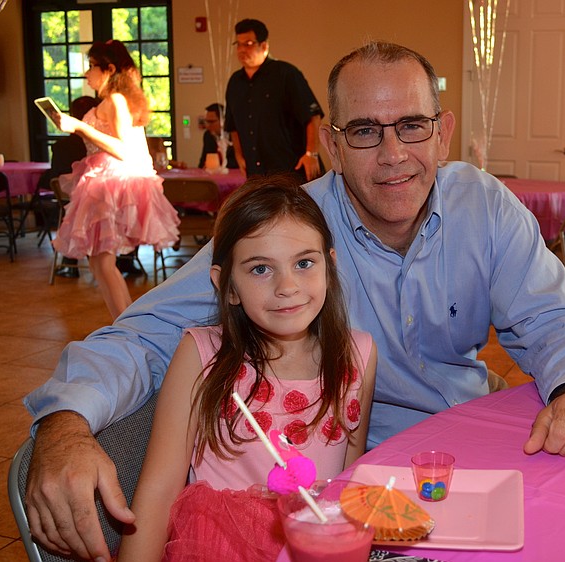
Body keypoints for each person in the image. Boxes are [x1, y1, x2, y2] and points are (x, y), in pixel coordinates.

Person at [23, 42, 565, 562]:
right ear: (332, 147)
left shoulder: (485, 207)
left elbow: (557, 317)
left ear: (442, 134)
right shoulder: (289, 239)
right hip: (361, 482)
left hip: (468, 456)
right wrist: (64, 423)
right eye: (365, 131)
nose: (393, 154)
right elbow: (145, 332)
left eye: (412, 126)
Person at [117, 176, 376, 561]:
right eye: (260, 269)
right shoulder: (202, 355)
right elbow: (157, 494)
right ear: (228, 286)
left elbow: (347, 486)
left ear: (329, 266)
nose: (287, 286)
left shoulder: (359, 356)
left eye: (304, 263)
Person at [51, 40, 180, 320]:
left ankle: (127, 327)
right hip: (101, 180)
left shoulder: (116, 101)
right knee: (100, 263)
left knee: (103, 262)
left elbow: (124, 149)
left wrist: (80, 127)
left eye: (91, 67)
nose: (87, 74)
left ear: (108, 69)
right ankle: (124, 324)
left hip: (110, 183)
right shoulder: (112, 101)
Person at [225, 19, 323, 181]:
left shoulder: (286, 74)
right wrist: (239, 155)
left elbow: (312, 115)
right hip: (256, 174)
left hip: (290, 168)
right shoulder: (235, 82)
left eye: (248, 44)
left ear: (264, 46)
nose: (242, 49)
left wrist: (311, 153)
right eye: (239, 44)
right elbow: (232, 125)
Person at [36, 96, 99, 278]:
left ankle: (70, 261)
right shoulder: (94, 144)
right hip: (94, 200)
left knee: (74, 208)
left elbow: (56, 175)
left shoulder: (61, 146)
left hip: (69, 201)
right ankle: (127, 259)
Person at [198, 102, 238, 170]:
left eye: (211, 122)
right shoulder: (208, 136)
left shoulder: (235, 135)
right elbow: (203, 161)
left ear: (223, 121)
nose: (207, 126)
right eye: (206, 122)